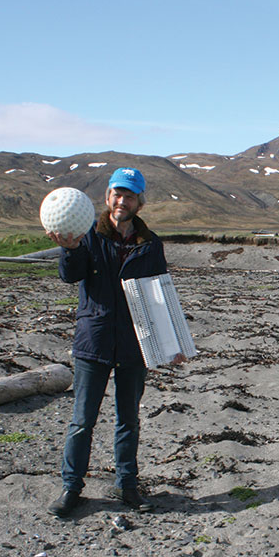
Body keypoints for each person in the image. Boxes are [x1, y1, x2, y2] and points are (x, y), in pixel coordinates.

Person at [44, 167, 182, 517]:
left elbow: (160, 295)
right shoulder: (87, 235)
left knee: (128, 419)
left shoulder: (150, 244)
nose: (122, 201)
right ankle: (71, 488)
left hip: (136, 343)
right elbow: (69, 276)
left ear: (139, 202)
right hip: (95, 340)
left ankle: (127, 486)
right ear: (108, 197)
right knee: (82, 420)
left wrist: (172, 344)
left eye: (130, 196)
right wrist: (70, 249)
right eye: (117, 194)